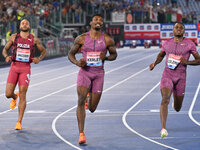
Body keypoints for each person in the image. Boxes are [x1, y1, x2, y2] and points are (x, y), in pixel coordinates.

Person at [68, 14, 117, 144]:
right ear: (91, 23)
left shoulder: (107, 40)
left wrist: (105, 57)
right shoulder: (82, 39)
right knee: (80, 100)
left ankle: (89, 98)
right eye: (96, 20)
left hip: (98, 74)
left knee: (92, 108)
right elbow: (71, 54)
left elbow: (114, 55)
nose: (98, 22)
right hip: (85, 73)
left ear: (103, 24)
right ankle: (81, 134)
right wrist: (77, 63)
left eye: (101, 20)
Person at [149, 22, 200, 138]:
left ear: (184, 31)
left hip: (181, 77)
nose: (179, 29)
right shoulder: (167, 43)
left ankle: (175, 103)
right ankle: (163, 129)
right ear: (173, 30)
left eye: (181, 28)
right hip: (168, 75)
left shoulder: (190, 44)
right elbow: (161, 55)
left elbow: (199, 60)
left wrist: (187, 62)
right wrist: (155, 63)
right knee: (165, 99)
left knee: (178, 108)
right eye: (176, 27)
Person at [2, 19, 46, 130]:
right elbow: (5, 50)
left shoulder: (34, 39)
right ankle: (14, 96)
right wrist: (6, 56)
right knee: (7, 94)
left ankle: (19, 122)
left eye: (26, 23)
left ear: (29, 25)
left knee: (23, 94)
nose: (25, 24)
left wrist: (39, 59)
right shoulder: (14, 37)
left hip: (25, 69)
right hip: (14, 67)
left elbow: (43, 51)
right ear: (20, 26)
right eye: (23, 23)